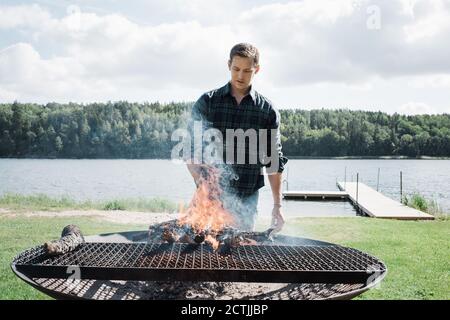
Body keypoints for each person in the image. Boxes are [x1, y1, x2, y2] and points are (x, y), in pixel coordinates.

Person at [186, 43, 288, 232]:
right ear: (228, 65)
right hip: (209, 198)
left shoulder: (267, 111)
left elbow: (274, 161)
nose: (240, 76)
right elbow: (191, 152)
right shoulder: (207, 102)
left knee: (239, 255)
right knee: (201, 253)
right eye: (236, 69)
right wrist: (206, 187)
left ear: (257, 69)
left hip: (246, 200)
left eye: (247, 71)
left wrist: (277, 206)